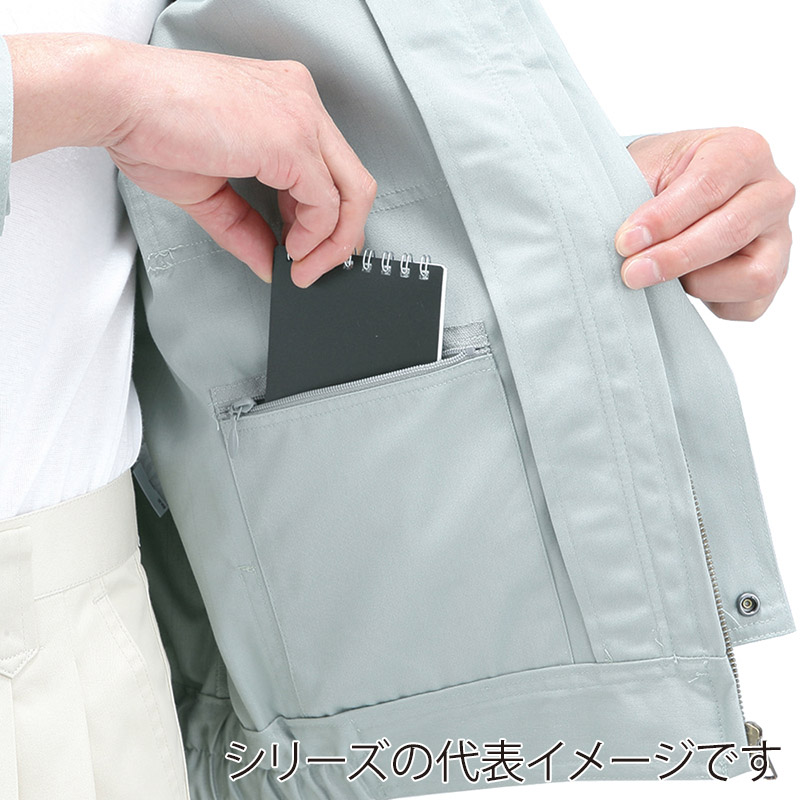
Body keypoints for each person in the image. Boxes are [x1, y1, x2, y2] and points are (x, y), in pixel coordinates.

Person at [0, 5, 794, 800]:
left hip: (98, 632)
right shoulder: (110, 86)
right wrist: (100, 90)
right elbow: (131, 97)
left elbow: (147, 192)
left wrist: (591, 197)